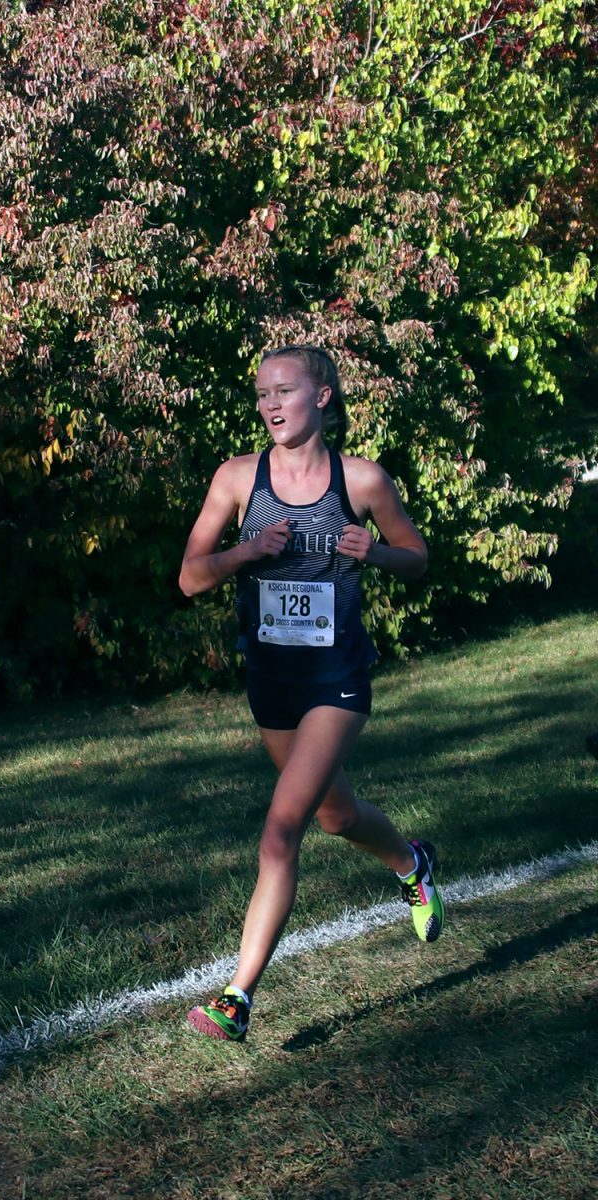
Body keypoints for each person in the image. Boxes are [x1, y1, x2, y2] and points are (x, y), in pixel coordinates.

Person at [179, 344, 444, 1042]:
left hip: (337, 681)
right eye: (262, 392)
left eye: (285, 391)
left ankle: (237, 999)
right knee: (336, 815)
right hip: (271, 681)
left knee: (280, 830)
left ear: (321, 397)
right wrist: (247, 552)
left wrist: (374, 552)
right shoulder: (237, 479)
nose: (270, 404)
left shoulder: (359, 480)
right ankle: (412, 864)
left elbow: (416, 558)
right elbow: (190, 577)